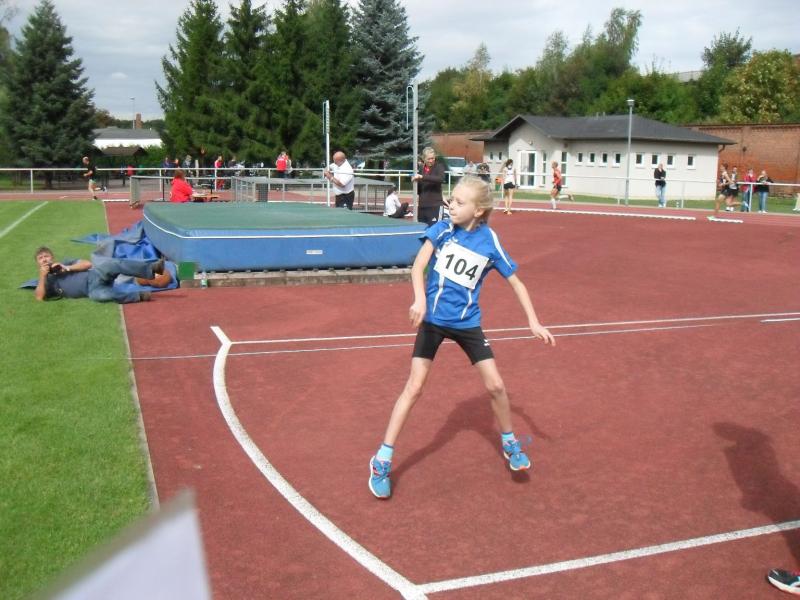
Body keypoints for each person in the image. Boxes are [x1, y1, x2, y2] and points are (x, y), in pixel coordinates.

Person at [367, 176, 556, 499]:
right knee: (414, 387)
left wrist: (534, 322)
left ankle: (510, 442)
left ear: (478, 210)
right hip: (433, 320)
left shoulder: (489, 241)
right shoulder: (442, 230)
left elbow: (517, 283)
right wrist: (419, 299)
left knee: (496, 386)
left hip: (467, 323)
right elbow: (418, 267)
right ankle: (382, 459)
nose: (451, 205)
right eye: (451, 199)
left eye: (459, 202)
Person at [33, 246, 164, 304]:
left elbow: (87, 264)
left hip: (95, 275)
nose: (44, 259)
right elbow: (39, 297)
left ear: (52, 257)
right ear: (37, 263)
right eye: (40, 258)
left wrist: (67, 268)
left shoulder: (65, 262)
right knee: (104, 296)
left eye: (46, 256)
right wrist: (43, 276)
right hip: (91, 291)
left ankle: (152, 269)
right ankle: (138, 296)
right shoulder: (45, 282)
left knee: (113, 264)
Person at [412, 147, 446, 225]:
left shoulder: (439, 167)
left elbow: (440, 179)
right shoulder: (421, 169)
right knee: (422, 230)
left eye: (432, 158)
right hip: (422, 206)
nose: (431, 161)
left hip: (435, 206)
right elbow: (419, 190)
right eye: (428, 159)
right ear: (424, 158)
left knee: (435, 230)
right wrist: (415, 182)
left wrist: (422, 177)